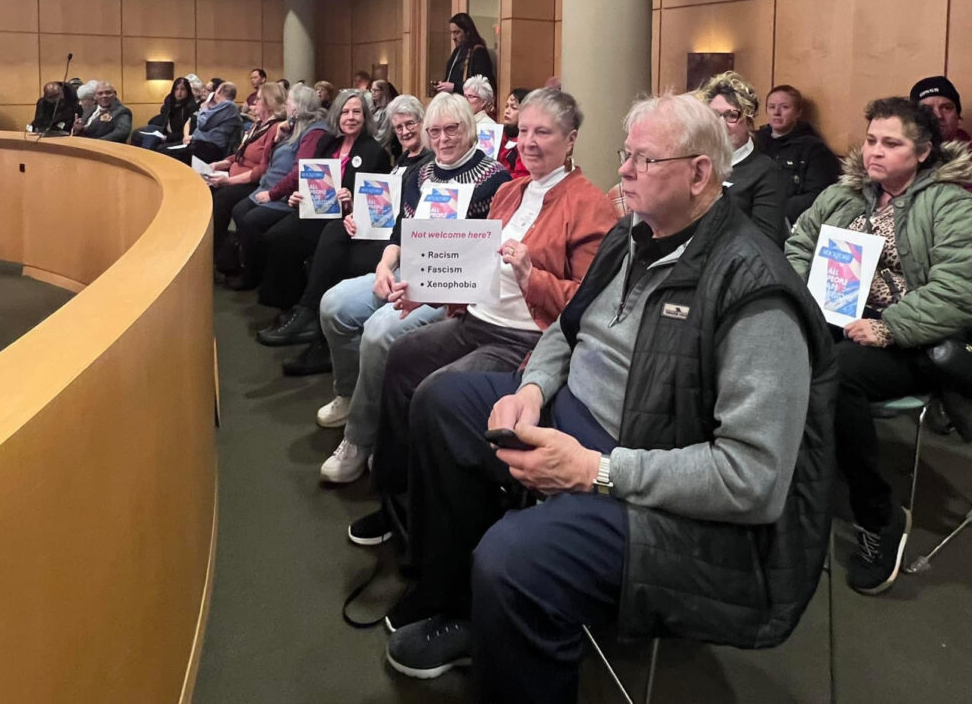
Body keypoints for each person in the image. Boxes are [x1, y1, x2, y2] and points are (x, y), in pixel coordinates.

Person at [380, 93, 836, 701]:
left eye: (643, 160)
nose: (622, 170)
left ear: (700, 173)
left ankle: (502, 611)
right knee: (441, 406)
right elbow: (566, 329)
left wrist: (595, 471)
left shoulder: (754, 293)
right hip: (580, 422)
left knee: (514, 560)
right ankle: (458, 605)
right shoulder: (632, 233)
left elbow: (752, 479)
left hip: (656, 481)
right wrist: (534, 389)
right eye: (626, 155)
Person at [347, 88, 616, 543]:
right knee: (401, 354)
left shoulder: (590, 206)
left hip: (523, 339)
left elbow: (588, 305)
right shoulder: (510, 192)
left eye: (543, 133)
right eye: (524, 131)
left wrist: (533, 276)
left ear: (570, 140)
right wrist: (427, 293)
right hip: (476, 321)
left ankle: (433, 529)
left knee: (435, 392)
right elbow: (475, 269)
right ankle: (397, 504)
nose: (528, 142)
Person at [785, 96, 972, 596]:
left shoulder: (953, 207)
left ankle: (877, 516)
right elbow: (798, 246)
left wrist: (889, 328)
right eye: (871, 140)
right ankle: (791, 489)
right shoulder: (844, 197)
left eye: (891, 143)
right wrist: (804, 302)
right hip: (840, 320)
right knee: (776, 358)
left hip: (916, 338)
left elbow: (960, 293)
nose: (875, 152)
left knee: (834, 375)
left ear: (923, 152)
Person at [311, 92, 510, 477]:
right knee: (334, 304)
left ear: (468, 129)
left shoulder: (496, 178)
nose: (444, 138)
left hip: (453, 286)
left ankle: (361, 437)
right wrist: (386, 266)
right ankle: (350, 394)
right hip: (408, 271)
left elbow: (487, 256)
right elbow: (402, 230)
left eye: (452, 129)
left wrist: (426, 287)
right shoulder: (421, 173)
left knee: (379, 331)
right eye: (435, 131)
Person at [253, 89, 392, 342]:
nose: (350, 117)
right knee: (276, 237)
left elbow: (376, 206)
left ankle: (306, 314)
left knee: (316, 242)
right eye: (346, 112)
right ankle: (290, 304)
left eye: (357, 112)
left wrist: (353, 201)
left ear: (365, 117)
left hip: (345, 221)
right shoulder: (328, 143)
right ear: (337, 115)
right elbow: (310, 181)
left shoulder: (375, 153)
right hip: (316, 213)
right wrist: (299, 196)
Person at [226, 83, 332, 289]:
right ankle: (253, 265)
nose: (287, 106)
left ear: (299, 107)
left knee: (250, 221)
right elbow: (269, 162)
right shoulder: (292, 127)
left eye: (290, 102)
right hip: (270, 186)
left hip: (285, 196)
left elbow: (300, 170)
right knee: (239, 211)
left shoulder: (314, 132)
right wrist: (277, 139)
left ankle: (254, 275)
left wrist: (273, 194)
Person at [698, 72, 787, 244]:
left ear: (748, 120)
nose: (721, 124)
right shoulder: (698, 163)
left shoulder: (766, 172)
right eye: (715, 115)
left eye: (731, 116)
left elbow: (764, 242)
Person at [209, 81, 285, 268]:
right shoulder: (257, 125)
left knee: (221, 201)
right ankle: (216, 253)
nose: (253, 104)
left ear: (268, 102)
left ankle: (222, 259)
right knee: (209, 193)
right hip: (236, 176)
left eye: (258, 100)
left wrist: (229, 180)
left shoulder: (274, 129)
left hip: (252, 183)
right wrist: (220, 164)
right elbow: (240, 154)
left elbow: (262, 169)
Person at [755, 84, 840, 223]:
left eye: (784, 107)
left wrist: (774, 211)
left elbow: (819, 195)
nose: (776, 112)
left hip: (788, 221)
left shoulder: (814, 149)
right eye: (771, 107)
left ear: (798, 112)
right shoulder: (754, 141)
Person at [910, 75, 972, 200]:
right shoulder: (900, 153)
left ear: (958, 117)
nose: (938, 115)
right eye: (927, 109)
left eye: (947, 108)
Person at [434, 12, 496, 95]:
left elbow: (482, 85)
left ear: (468, 32)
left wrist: (454, 87)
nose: (453, 37)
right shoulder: (457, 51)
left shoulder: (478, 52)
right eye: (452, 32)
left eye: (457, 32)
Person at [182, 81, 242, 164]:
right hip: (203, 145)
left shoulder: (228, 105)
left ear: (219, 92)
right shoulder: (222, 107)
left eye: (216, 90)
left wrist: (204, 108)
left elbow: (202, 124)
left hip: (211, 149)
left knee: (171, 154)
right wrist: (192, 137)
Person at [132, 77, 198, 150]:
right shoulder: (170, 101)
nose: (179, 92)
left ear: (187, 91)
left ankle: (146, 155)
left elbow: (188, 131)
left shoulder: (191, 106)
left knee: (159, 147)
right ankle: (142, 155)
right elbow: (165, 119)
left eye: (182, 89)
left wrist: (168, 137)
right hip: (165, 131)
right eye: (176, 89)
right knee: (137, 134)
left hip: (179, 136)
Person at [498, 87, 530, 178]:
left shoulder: (527, 141)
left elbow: (522, 176)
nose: (507, 111)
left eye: (514, 108)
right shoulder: (498, 135)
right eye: (506, 106)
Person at [370, 78, 400, 150]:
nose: (373, 93)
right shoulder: (374, 109)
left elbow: (384, 136)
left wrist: (368, 145)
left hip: (381, 148)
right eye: (371, 90)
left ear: (383, 91)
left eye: (376, 90)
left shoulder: (388, 111)